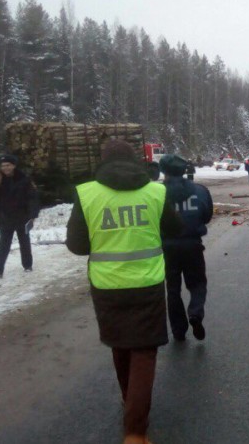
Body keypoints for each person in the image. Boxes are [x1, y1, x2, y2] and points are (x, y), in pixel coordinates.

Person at [66, 140, 182, 444]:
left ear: (102, 162)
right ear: (136, 161)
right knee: (144, 351)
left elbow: (78, 246)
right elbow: (174, 229)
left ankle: (129, 401)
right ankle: (134, 432)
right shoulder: (156, 192)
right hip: (147, 283)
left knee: (120, 344)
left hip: (107, 287)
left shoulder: (87, 193)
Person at [159, 154, 214, 341]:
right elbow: (207, 216)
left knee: (172, 289)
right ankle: (195, 313)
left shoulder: (156, 194)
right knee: (198, 284)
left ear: (163, 171)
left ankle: (178, 330)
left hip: (167, 249)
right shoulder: (200, 190)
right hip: (193, 246)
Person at [0, 154, 39, 278]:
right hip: (5, 217)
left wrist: (33, 215)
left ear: (14, 166)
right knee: (3, 244)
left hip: (22, 216)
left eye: (8, 165)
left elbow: (33, 197)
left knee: (24, 242)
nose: (5, 168)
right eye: (3, 165)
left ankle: (27, 265)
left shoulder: (24, 179)